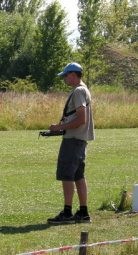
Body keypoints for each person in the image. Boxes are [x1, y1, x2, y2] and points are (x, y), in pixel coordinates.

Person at [47, 62, 94, 224]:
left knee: (67, 175)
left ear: (73, 75)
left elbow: (81, 119)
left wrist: (58, 127)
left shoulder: (78, 91)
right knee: (78, 175)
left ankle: (67, 212)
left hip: (73, 141)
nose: (65, 79)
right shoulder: (84, 89)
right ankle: (83, 212)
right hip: (80, 141)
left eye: (65, 76)